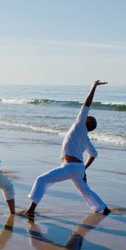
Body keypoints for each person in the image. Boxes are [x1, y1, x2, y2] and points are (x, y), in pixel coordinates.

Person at [24, 80, 111, 216]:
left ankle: (30, 210)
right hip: (77, 168)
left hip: (70, 167)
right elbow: (93, 154)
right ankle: (104, 208)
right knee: (85, 190)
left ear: (85, 122)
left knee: (41, 180)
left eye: (86, 117)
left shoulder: (79, 125)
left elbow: (86, 104)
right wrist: (84, 169)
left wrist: (93, 87)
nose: (84, 116)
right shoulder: (86, 138)